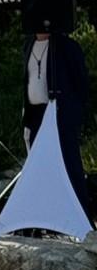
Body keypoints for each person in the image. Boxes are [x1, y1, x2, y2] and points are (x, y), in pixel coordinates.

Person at [22, 30, 91, 217]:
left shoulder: (66, 46)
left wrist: (73, 114)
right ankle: (44, 217)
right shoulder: (28, 45)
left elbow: (81, 84)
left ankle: (82, 217)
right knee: (39, 167)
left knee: (70, 165)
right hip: (35, 113)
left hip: (59, 113)